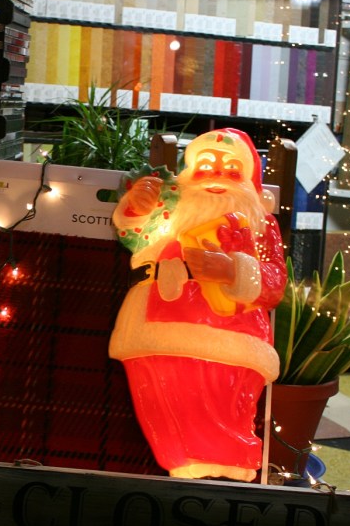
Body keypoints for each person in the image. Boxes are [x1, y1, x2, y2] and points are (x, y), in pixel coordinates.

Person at [109, 128, 287, 482]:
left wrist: (232, 269)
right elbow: (138, 237)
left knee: (229, 408)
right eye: (205, 165)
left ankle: (229, 474)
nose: (217, 175)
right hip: (156, 324)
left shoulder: (261, 224)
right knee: (163, 405)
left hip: (234, 336)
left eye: (232, 169)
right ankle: (183, 467)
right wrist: (136, 207)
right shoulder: (171, 209)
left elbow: (274, 282)